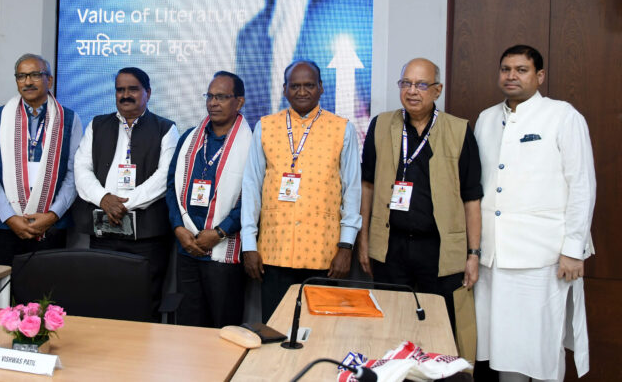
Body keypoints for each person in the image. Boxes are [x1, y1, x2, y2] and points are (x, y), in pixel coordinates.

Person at [474, 45, 595, 381]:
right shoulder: (486, 118)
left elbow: (582, 185)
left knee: (541, 348)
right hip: (493, 257)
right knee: (503, 349)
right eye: (506, 69)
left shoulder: (562, 115)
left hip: (544, 257)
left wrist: (573, 248)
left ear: (539, 76)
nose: (511, 76)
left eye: (521, 69)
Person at [358, 58, 482, 335]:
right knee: (390, 323)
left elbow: (471, 198)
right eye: (406, 83)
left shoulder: (459, 131)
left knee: (440, 327)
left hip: (438, 249)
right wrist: (364, 239)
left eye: (421, 84)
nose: (412, 91)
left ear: (437, 91)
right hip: (391, 247)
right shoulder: (380, 126)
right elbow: (367, 186)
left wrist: (473, 254)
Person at [241, 60, 362, 322]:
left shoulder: (342, 129)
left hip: (324, 255)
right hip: (274, 252)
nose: (302, 91)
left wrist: (346, 246)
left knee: (319, 331)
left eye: (309, 85)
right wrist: (249, 244)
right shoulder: (265, 126)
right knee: (276, 328)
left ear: (321, 88)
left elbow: (352, 190)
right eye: (295, 86)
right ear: (285, 90)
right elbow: (251, 186)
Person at [74, 67, 179, 318]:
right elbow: (81, 168)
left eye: (133, 89)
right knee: (103, 300)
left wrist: (122, 205)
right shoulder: (98, 125)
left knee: (143, 303)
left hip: (146, 237)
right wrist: (103, 199)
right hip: (103, 233)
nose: (125, 95)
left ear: (148, 93)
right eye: (120, 90)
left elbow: (164, 178)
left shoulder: (166, 128)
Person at [166, 71, 252, 327]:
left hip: (224, 253)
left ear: (239, 101)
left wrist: (220, 232)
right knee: (189, 326)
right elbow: (171, 187)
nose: (213, 103)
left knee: (223, 326)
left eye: (222, 97)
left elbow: (254, 197)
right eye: (210, 96)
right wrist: (178, 228)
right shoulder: (189, 138)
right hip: (187, 247)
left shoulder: (252, 143)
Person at [0, 53, 82, 266]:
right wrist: (9, 217)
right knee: (6, 290)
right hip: (8, 225)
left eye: (35, 75)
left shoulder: (69, 119)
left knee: (48, 292)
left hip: (52, 224)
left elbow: (75, 173)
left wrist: (53, 215)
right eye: (21, 76)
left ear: (50, 80)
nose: (27, 82)